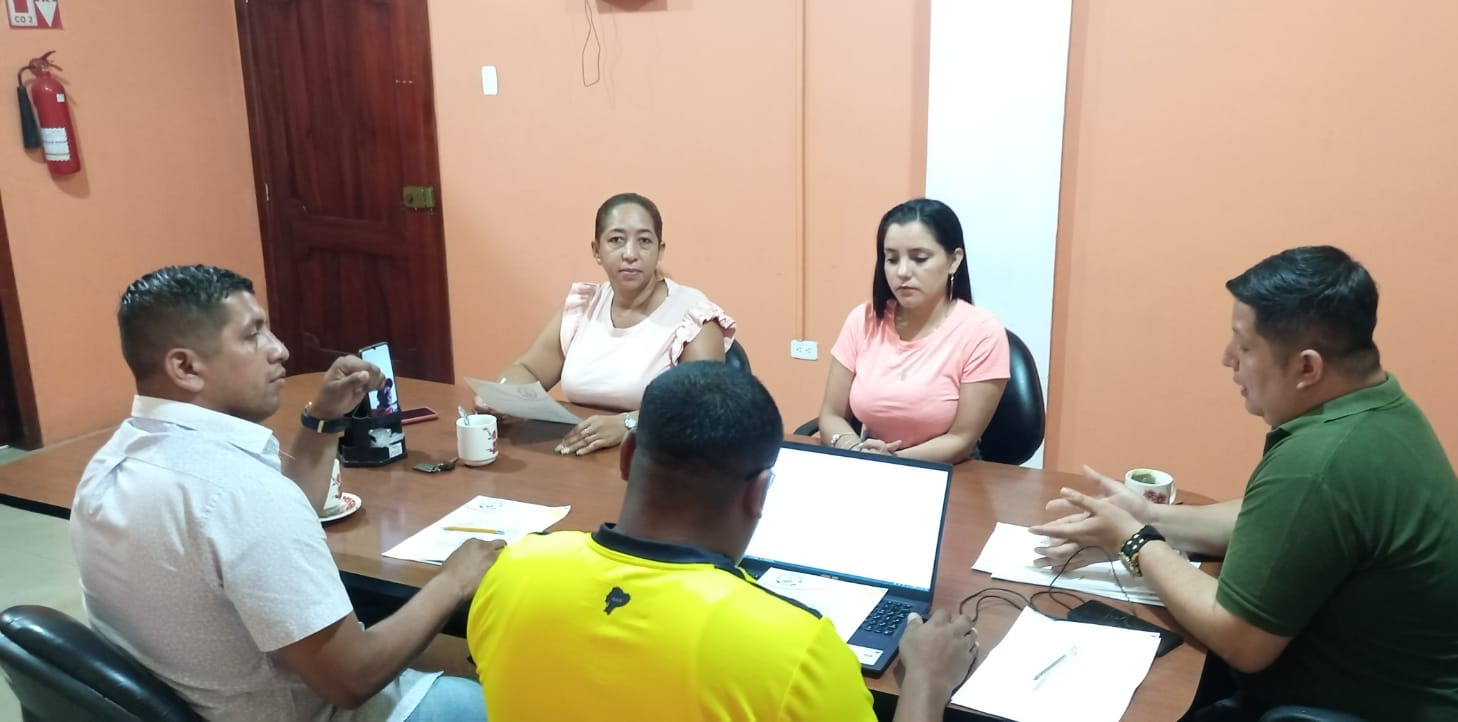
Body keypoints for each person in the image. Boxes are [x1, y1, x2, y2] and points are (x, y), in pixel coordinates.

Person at [1031, 247, 1458, 721]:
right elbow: (1269, 519)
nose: (1227, 359)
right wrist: (1150, 515)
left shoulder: (1319, 463)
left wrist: (1133, 541)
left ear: (1307, 367)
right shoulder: (1378, 406)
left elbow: (1239, 639)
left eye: (1244, 346)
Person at [72, 265, 504, 721]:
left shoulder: (110, 462)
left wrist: (325, 420)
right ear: (185, 367)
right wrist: (452, 582)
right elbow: (352, 678)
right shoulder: (240, 494)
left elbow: (264, 525)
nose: (280, 349)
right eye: (253, 335)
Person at [467, 361, 977, 720]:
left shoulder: (514, 570)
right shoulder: (796, 647)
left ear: (627, 456)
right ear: (760, 492)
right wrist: (927, 681)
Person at [477, 192, 735, 457]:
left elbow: (703, 404)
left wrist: (629, 424)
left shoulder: (693, 315)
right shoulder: (584, 305)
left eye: (644, 241)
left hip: (657, 459)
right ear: (596, 250)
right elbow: (528, 368)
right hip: (578, 453)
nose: (630, 254)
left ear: (660, 251)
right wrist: (502, 395)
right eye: (616, 240)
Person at [816, 198, 1010, 464]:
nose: (903, 272)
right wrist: (854, 449)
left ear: (954, 260)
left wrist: (892, 461)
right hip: (865, 463)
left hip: (946, 471)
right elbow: (831, 415)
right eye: (892, 259)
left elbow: (961, 440)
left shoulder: (983, 333)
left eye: (919, 259)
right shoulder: (863, 320)